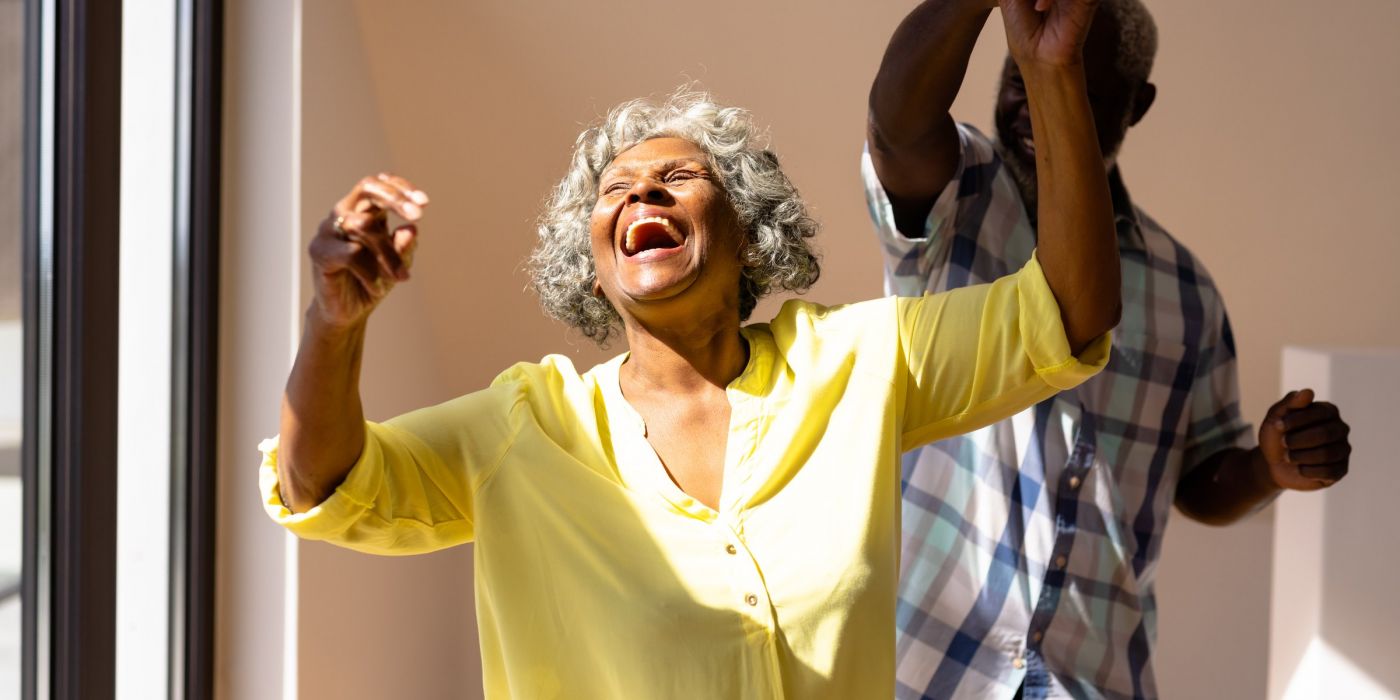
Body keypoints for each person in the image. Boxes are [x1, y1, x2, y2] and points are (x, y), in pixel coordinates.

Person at [261, 2, 1117, 694]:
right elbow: (327, 487)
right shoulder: (526, 425)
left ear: (748, 236)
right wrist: (333, 325)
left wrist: (1050, 71)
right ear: (594, 271)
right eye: (615, 191)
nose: (642, 192)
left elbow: (1070, 313)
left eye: (677, 178)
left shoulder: (859, 362)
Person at [864, 0, 1353, 697]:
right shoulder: (959, 198)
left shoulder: (1186, 292)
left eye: (1078, 91)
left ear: (1137, 105)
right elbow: (897, 124)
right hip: (925, 669)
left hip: (1094, 681)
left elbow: (1200, 480)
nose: (1038, 105)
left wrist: (1268, 467)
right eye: (1022, 80)